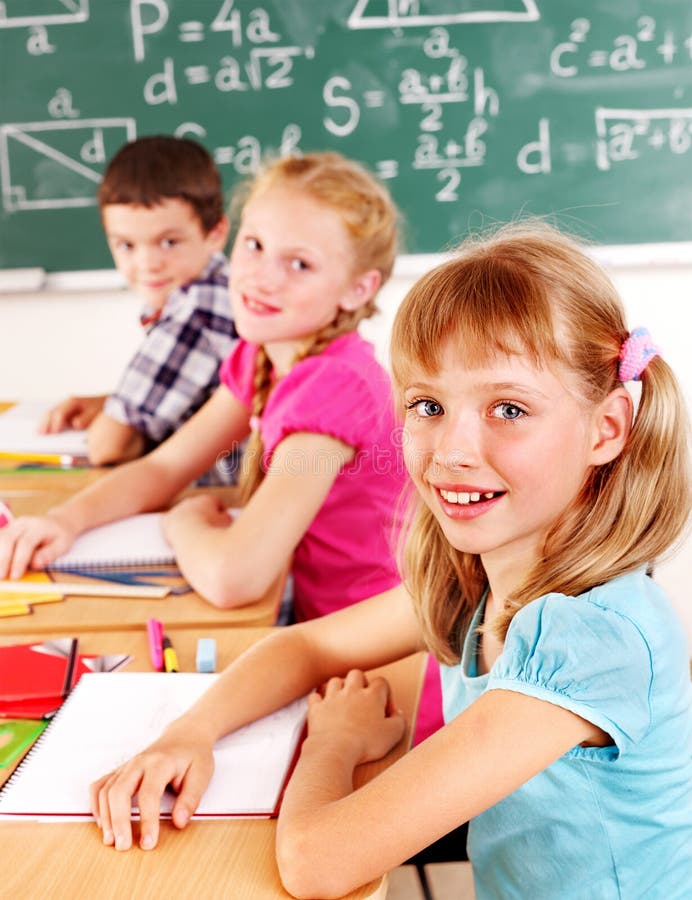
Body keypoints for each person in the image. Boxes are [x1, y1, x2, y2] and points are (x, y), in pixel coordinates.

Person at [87, 222, 690, 899]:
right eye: (428, 405)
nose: (452, 448)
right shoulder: (483, 576)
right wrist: (188, 732)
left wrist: (335, 743)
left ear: (606, 429)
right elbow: (306, 646)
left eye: (509, 409)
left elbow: (318, 864)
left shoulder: (591, 638)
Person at [0, 152, 406, 627]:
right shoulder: (262, 355)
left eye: (299, 263)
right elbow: (164, 466)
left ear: (358, 289)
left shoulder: (334, 386)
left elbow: (234, 578)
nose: (262, 276)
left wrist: (185, 522)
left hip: (375, 654)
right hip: (319, 628)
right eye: (254, 245)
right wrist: (64, 521)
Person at [39, 135, 238, 468]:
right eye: (127, 246)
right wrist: (108, 403)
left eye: (169, 242)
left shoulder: (197, 310)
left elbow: (110, 447)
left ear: (215, 234)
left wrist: (116, 419)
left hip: (221, 497)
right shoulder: (214, 285)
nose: (147, 264)